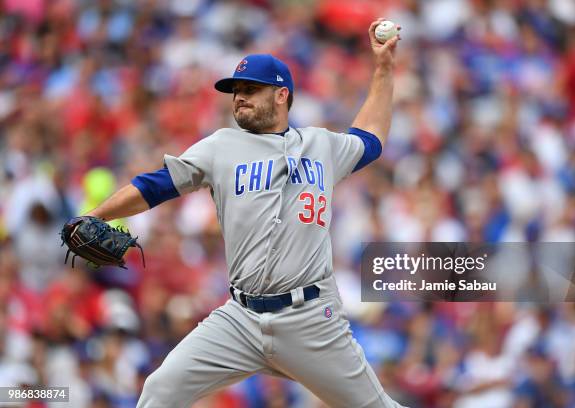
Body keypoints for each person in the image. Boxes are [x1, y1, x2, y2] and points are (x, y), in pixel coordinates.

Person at [85, 19, 404, 408]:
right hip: (240, 318)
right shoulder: (220, 147)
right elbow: (154, 185)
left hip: (310, 320)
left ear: (282, 95)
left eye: (251, 89)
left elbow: (370, 138)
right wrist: (98, 214)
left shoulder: (320, 144)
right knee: (159, 390)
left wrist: (384, 68)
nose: (239, 97)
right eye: (236, 91)